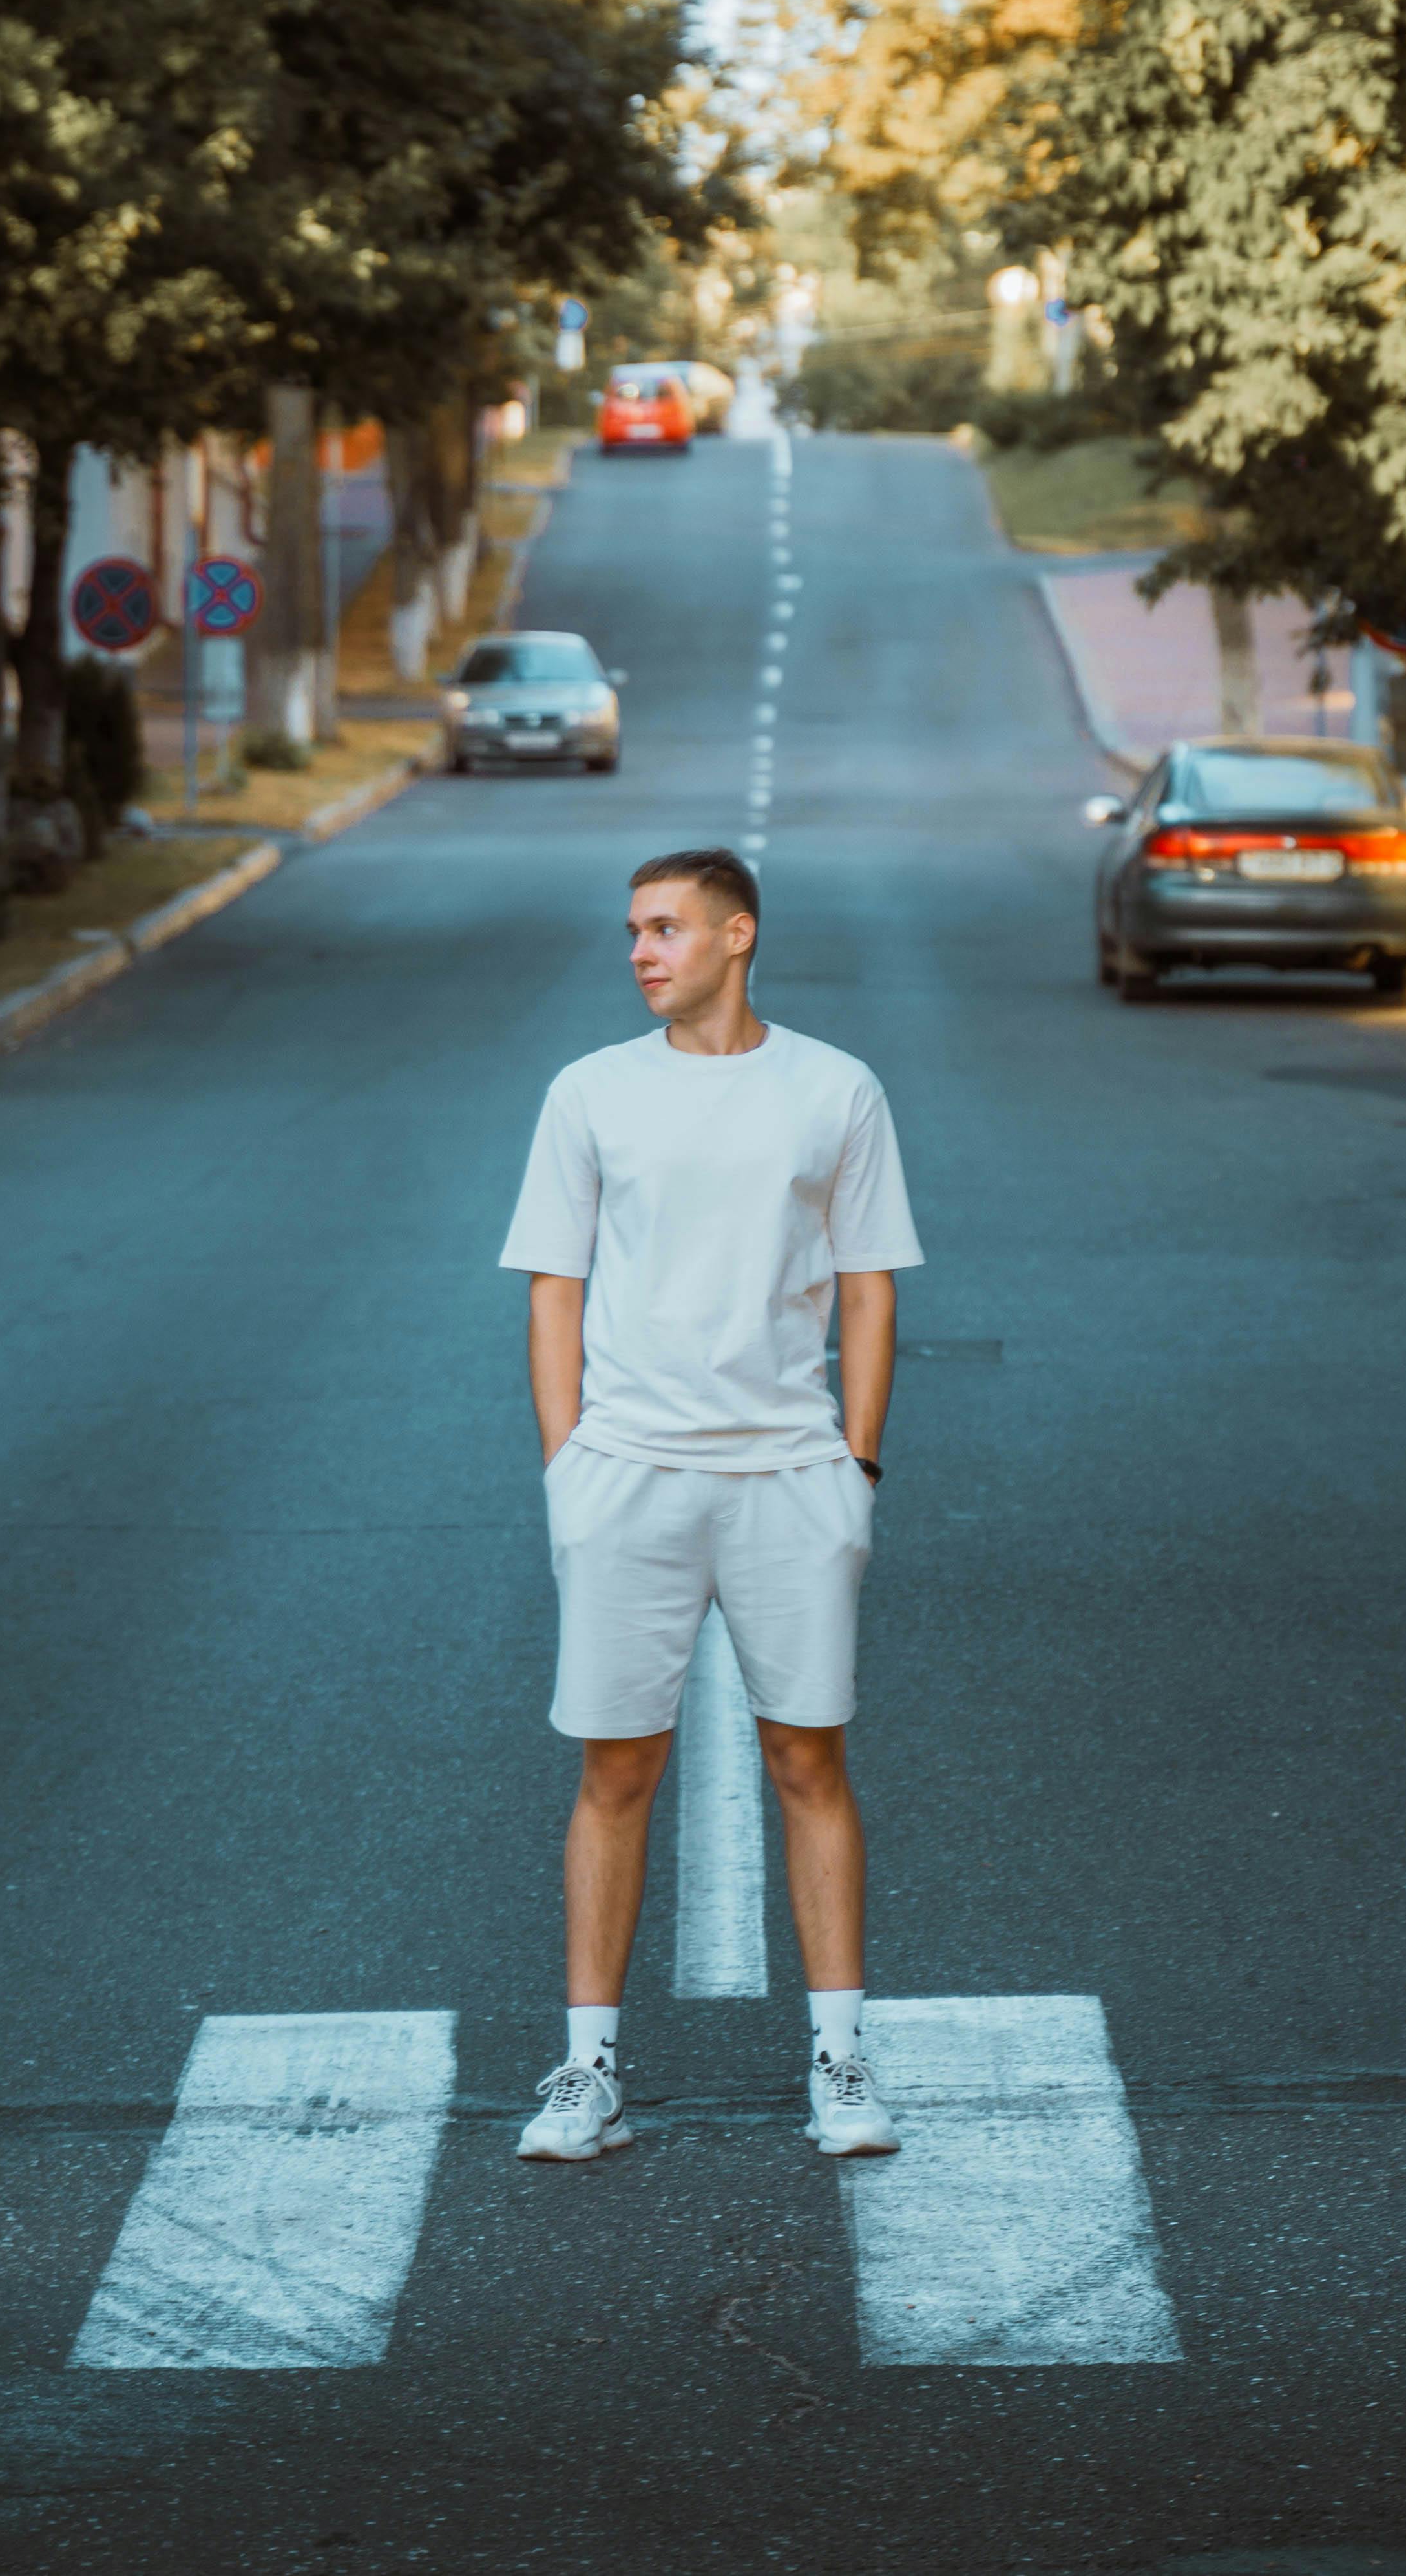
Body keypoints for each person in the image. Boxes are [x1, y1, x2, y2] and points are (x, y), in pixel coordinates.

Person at [499, 845, 921, 2167]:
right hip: (628, 1476)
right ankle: (585, 2076)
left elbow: (867, 1285)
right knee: (614, 1771)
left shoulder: (832, 1089)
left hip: (789, 1475)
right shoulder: (588, 1094)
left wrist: (854, 1464)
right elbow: (551, 1287)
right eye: (631, 929)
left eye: (665, 929)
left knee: (808, 1761)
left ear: (736, 937)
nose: (639, 951)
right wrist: (568, 1468)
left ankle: (841, 2063)